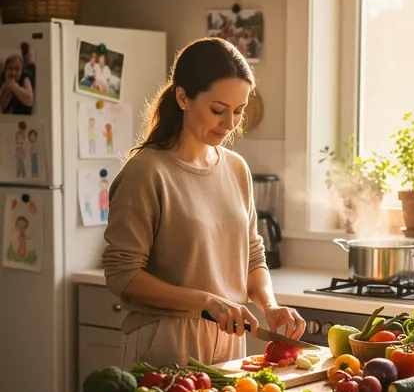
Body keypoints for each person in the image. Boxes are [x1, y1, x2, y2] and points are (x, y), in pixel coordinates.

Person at [102, 37, 305, 369]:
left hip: (231, 347)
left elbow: (253, 257)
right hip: (164, 344)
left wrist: (269, 305)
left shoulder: (237, 169)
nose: (229, 124)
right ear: (183, 97)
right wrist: (208, 302)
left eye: (238, 111)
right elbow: (122, 275)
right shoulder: (146, 172)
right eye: (217, 110)